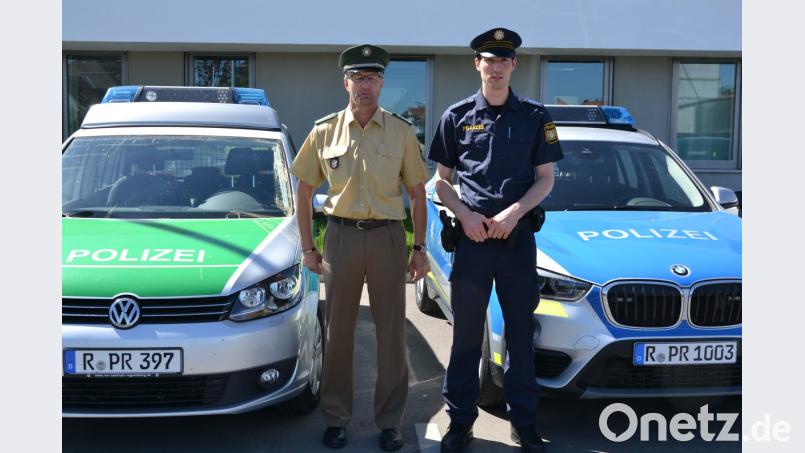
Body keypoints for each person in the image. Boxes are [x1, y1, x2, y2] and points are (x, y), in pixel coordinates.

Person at [427, 28, 563, 453]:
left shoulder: (536, 116)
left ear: (513, 65)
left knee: (521, 335)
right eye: (490, 59)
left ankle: (522, 423)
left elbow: (545, 180)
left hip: (515, 243)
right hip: (472, 242)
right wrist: (465, 215)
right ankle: (460, 423)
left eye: (505, 59)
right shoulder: (457, 115)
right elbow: (440, 183)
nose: (497, 66)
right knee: (467, 335)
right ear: (478, 65)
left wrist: (513, 213)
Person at [290, 44, 429, 451]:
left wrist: (418, 248)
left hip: (387, 237)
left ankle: (390, 422)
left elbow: (418, 195)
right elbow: (304, 191)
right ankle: (336, 418)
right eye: (358, 77)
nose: (365, 86)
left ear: (382, 82)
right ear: (345, 81)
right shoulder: (324, 130)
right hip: (341, 237)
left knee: (391, 335)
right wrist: (307, 248)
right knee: (338, 333)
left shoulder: (401, 132)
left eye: (372, 78)